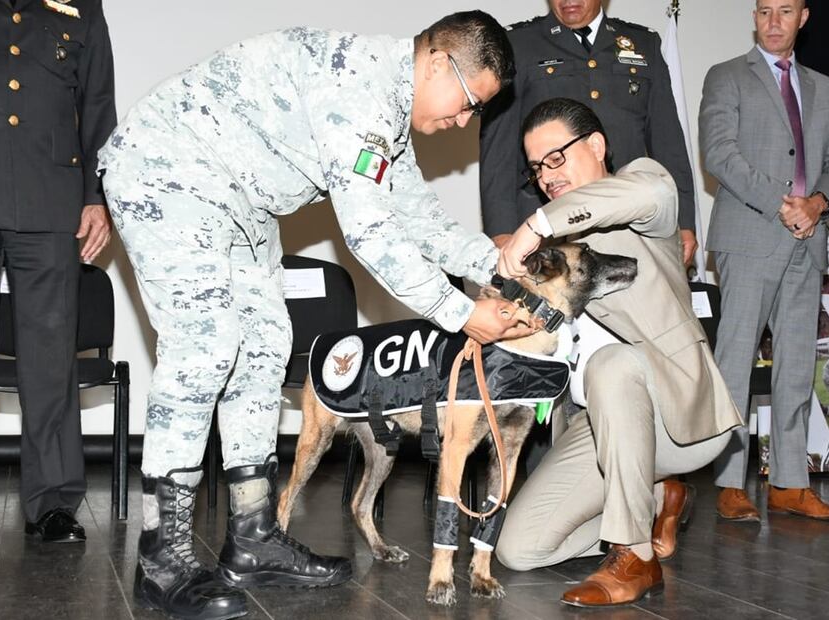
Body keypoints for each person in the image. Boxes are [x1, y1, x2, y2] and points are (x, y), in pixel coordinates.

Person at [99, 12, 534, 620]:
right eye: (467, 102)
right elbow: (372, 233)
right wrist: (461, 312)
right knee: (206, 343)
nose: (463, 121)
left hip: (237, 200)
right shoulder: (356, 87)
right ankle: (161, 559)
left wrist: (498, 261)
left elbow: (420, 219)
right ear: (437, 62)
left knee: (264, 346)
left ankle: (252, 539)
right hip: (169, 170)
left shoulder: (388, 118)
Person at [494, 98, 742, 607]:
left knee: (612, 365)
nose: (546, 176)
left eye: (556, 158)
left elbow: (641, 192)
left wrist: (535, 224)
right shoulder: (556, 246)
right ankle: (653, 501)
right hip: (597, 424)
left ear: (597, 146)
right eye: (538, 168)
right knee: (519, 550)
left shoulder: (644, 188)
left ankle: (635, 556)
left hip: (678, 416)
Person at [0, 0, 115, 547]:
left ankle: (54, 505)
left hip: (50, 200)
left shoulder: (79, 6)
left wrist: (96, 196)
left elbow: (98, 101)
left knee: (50, 355)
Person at [700, 0, 829, 522]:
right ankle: (729, 482)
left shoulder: (824, 88)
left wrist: (816, 205)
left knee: (795, 367)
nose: (772, 22)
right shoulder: (726, 76)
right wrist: (782, 203)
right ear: (754, 16)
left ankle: (790, 482)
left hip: (808, 238)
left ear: (802, 19)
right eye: (764, 11)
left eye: (784, 12)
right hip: (749, 236)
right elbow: (719, 155)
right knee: (735, 364)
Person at [479, 0, 698, 266]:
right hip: (548, 221)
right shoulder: (518, 43)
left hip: (628, 218)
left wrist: (684, 220)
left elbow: (668, 142)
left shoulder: (643, 44)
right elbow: (497, 149)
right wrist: (501, 231)